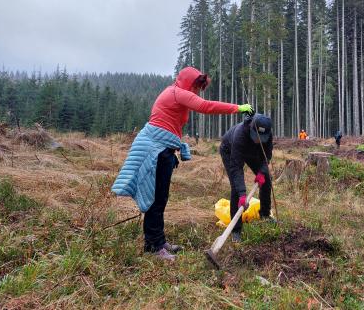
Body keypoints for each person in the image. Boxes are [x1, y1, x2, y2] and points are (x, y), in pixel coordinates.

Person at [112, 67, 253, 261]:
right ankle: (154, 247)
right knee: (155, 199)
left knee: (161, 198)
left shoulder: (178, 94)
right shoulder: (176, 93)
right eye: (195, 85)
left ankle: (158, 242)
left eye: (198, 87)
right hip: (156, 149)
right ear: (187, 81)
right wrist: (238, 108)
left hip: (165, 149)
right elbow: (206, 106)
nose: (196, 91)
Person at [220, 113, 274, 243]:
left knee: (266, 179)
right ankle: (236, 230)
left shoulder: (268, 134)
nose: (258, 140)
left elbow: (267, 156)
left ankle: (265, 215)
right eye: (256, 136)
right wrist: (242, 194)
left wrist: (261, 172)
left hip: (253, 152)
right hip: (230, 150)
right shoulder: (240, 135)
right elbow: (236, 168)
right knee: (236, 188)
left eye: (262, 138)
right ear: (251, 128)